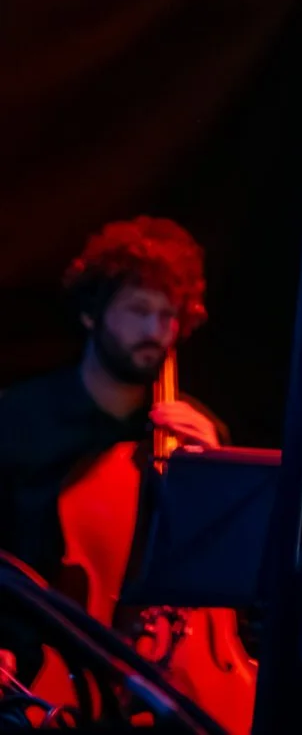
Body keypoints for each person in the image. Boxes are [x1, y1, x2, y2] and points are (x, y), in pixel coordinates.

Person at [0, 219, 223, 681]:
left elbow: (230, 583)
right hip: (37, 672)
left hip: (167, 674)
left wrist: (218, 471)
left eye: (168, 314)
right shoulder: (17, 421)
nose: (156, 330)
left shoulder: (195, 430)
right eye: (139, 310)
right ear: (91, 314)